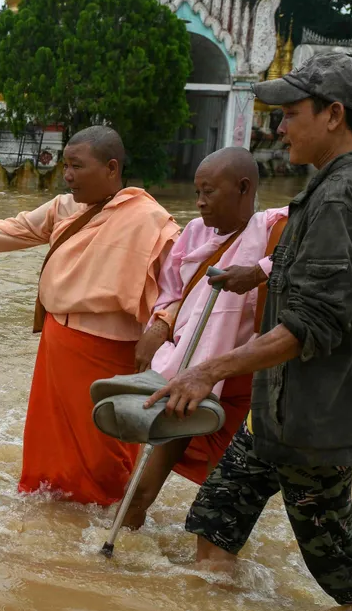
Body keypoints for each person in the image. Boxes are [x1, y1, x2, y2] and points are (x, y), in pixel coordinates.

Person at [148, 53, 352, 606]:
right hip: (285, 407)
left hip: (314, 419)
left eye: (291, 113)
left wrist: (209, 370)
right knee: (215, 522)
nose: (279, 128)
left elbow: (310, 325)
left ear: (333, 115)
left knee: (341, 571)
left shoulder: (339, 197)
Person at [0, 126, 180, 505]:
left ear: (111, 168)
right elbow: (9, 230)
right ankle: (53, 515)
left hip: (115, 352)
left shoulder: (153, 221)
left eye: (77, 166)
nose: (68, 175)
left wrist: (161, 326)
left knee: (107, 449)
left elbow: (180, 287)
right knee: (51, 443)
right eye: (65, 165)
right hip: (59, 340)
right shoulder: (65, 208)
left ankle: (108, 516)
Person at [120, 148, 288, 529]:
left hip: (244, 381)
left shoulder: (277, 227)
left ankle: (211, 571)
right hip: (189, 371)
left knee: (225, 495)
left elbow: (307, 256)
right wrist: (159, 326)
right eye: (197, 192)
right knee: (140, 490)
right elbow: (171, 291)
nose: (199, 203)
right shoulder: (195, 233)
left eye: (208, 192)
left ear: (243, 187)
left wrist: (258, 271)